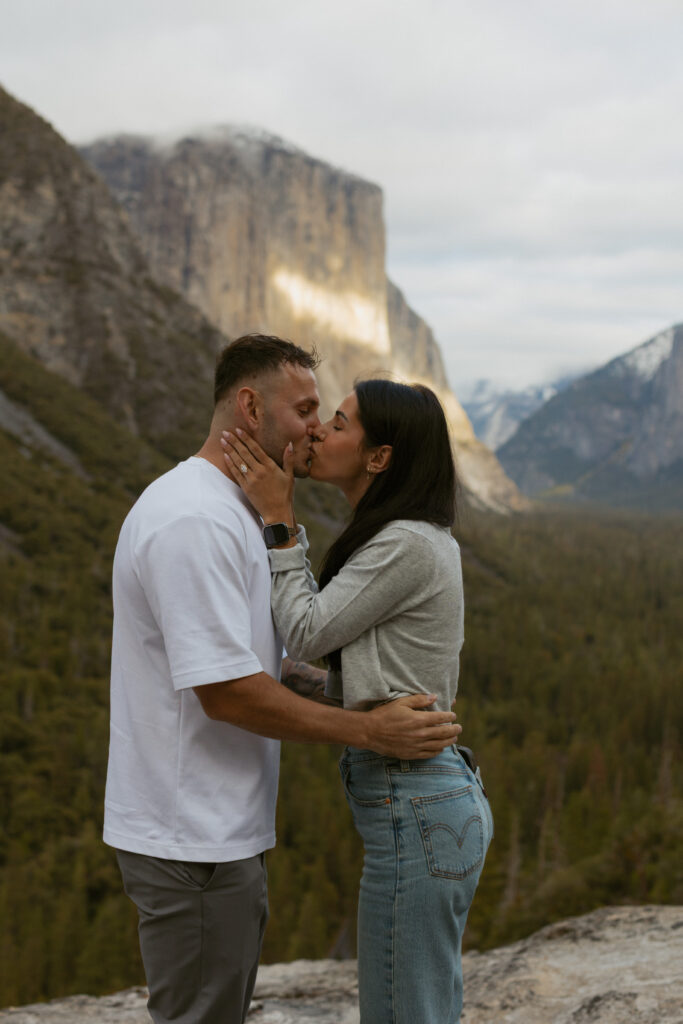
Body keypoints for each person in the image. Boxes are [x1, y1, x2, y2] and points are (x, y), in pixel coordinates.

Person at [104, 335, 461, 1024]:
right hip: (191, 834)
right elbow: (227, 692)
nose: (315, 428)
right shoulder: (194, 519)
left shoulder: (235, 508)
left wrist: (318, 683)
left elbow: (252, 657)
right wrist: (368, 730)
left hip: (218, 830)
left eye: (327, 415)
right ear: (249, 406)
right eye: (304, 410)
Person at [221, 377, 493, 1024]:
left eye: (339, 423)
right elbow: (386, 674)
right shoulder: (408, 536)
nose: (318, 430)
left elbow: (307, 629)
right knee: (420, 1007)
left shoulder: (405, 542)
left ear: (379, 457)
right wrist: (290, 681)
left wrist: (279, 521)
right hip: (428, 805)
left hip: (415, 806)